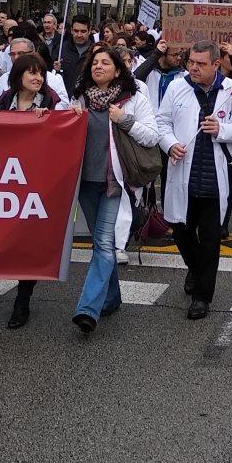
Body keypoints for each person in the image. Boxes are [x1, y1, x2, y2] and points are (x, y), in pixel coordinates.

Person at [0, 53, 70, 329]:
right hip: (5, 180)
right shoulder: (5, 99)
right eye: (31, 73)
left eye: (41, 74)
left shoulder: (50, 101)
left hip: (35, 181)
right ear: (18, 75)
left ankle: (23, 299)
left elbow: (62, 132)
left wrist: (50, 120)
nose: (37, 78)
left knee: (27, 241)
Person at [155, 40, 232, 320]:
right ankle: (197, 270)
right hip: (183, 170)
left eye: (200, 64)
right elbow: (162, 122)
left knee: (210, 239)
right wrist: (170, 143)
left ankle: (202, 296)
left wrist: (222, 128)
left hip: (214, 175)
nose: (194, 68)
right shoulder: (177, 87)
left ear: (216, 64)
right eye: (191, 63)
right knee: (180, 230)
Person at [67, 46, 161, 333]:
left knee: (105, 244)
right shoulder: (79, 98)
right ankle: (112, 297)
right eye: (94, 62)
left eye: (105, 62)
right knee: (100, 243)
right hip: (85, 183)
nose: (97, 67)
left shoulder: (134, 100)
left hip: (114, 184)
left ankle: (87, 308)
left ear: (118, 70)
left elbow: (152, 136)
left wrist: (125, 120)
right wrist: (69, 116)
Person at [0, 37, 70, 105]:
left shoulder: (52, 79)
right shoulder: (3, 80)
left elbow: (63, 104)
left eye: (21, 53)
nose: (16, 57)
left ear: (32, 53)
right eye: (12, 54)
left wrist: (47, 112)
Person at [58, 15, 94, 96]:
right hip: (64, 98)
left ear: (89, 31)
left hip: (87, 99)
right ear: (71, 30)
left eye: (83, 31)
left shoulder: (95, 51)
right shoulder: (61, 49)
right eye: (76, 31)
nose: (79, 35)